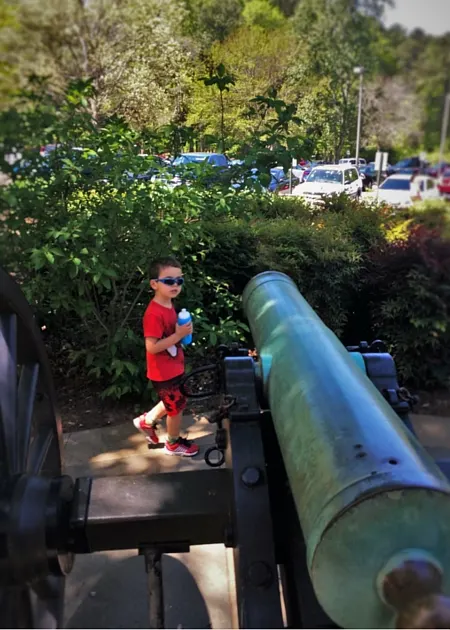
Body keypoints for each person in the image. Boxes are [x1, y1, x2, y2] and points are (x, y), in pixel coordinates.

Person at [133, 256, 199, 457]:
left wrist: (184, 332)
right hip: (163, 371)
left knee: (177, 398)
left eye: (179, 280)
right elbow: (152, 347)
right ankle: (172, 443)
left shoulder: (169, 305)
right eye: (169, 281)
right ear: (154, 284)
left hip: (174, 365)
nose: (175, 285)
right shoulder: (153, 314)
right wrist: (178, 335)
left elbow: (173, 334)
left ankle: (147, 420)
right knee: (176, 408)